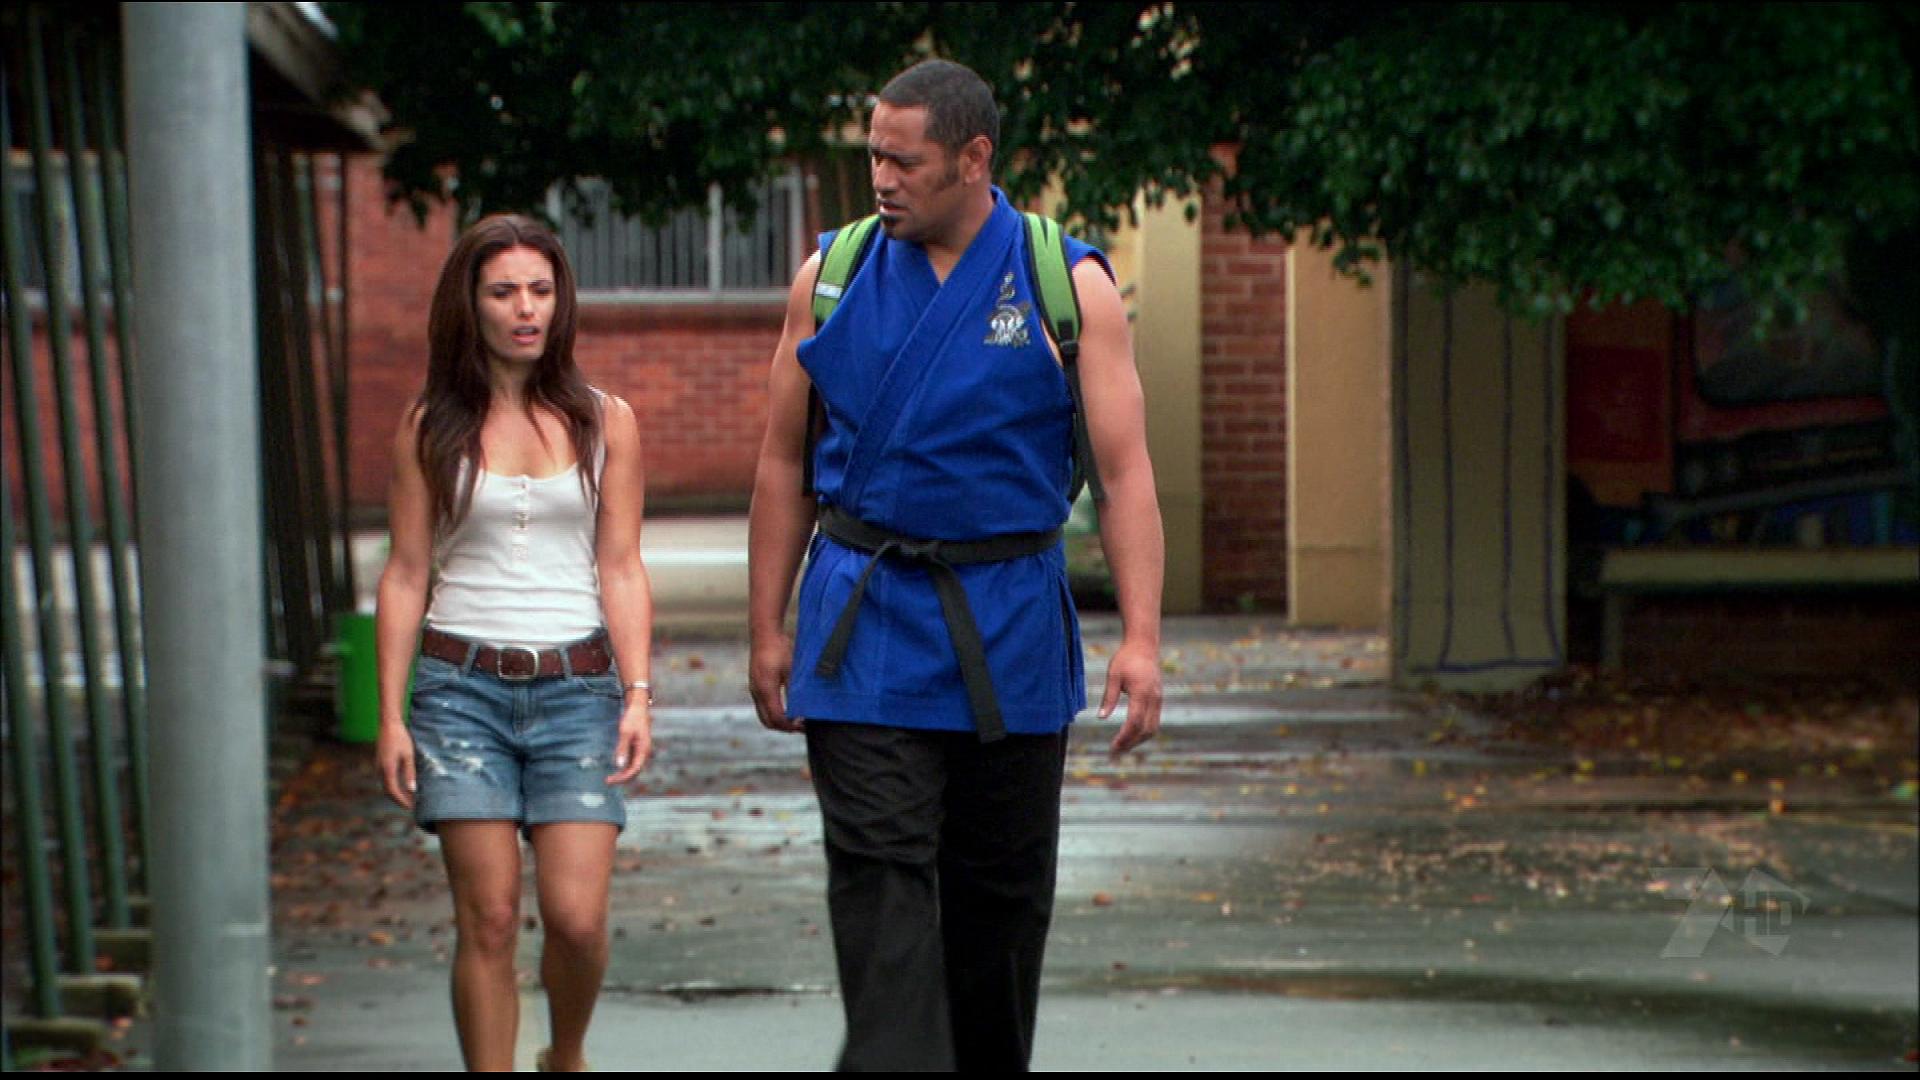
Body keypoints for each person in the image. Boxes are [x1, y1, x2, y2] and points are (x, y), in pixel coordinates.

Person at [747, 59, 1165, 1071]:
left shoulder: (1067, 285)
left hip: (1010, 622)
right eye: (874, 157)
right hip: (865, 623)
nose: (881, 179)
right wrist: (766, 626)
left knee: (999, 912)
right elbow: (782, 462)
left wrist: (1143, 639)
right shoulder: (832, 277)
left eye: (905, 161)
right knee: (880, 882)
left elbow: (1123, 474)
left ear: (974, 159)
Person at [374, 214, 653, 1072]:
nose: (526, 309)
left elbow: (622, 566)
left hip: (579, 688)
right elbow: (406, 574)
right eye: (503, 292)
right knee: (489, 917)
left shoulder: (607, 421)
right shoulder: (430, 425)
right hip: (460, 691)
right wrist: (391, 716)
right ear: (472, 305)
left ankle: (564, 1054)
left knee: (576, 918)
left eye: (540, 290)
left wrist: (639, 692)